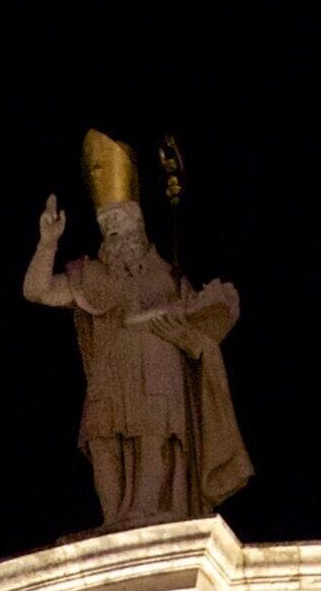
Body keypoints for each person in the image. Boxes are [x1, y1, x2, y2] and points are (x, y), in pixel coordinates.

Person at [22, 131, 250, 530]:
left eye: (120, 221)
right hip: (110, 375)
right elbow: (37, 290)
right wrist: (47, 244)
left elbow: (203, 322)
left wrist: (193, 319)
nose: (114, 229)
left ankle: (147, 515)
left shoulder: (169, 276)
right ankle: (113, 521)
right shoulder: (91, 275)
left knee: (152, 438)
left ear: (139, 223)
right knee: (103, 440)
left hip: (158, 377)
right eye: (106, 223)